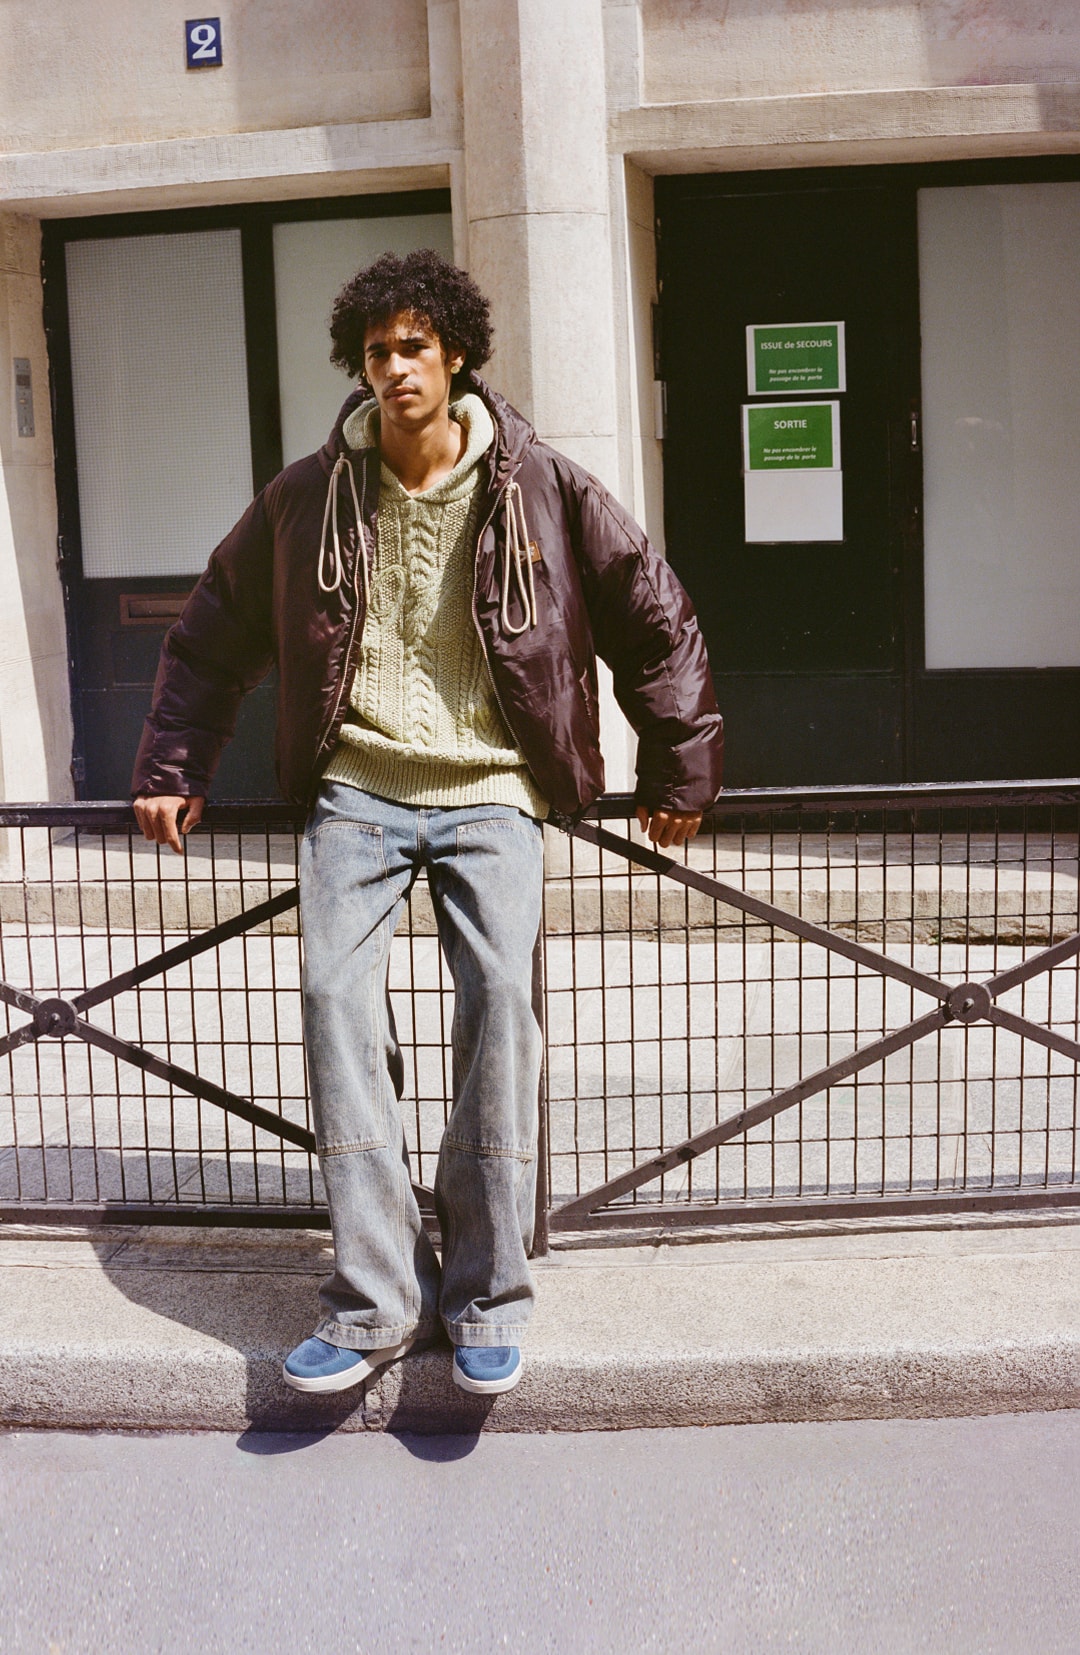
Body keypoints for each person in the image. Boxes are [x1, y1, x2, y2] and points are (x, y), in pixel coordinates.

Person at [132, 249, 723, 1397]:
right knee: (332, 1001)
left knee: (500, 1005)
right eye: (377, 351)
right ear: (358, 366)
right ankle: (376, 1298)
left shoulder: (541, 483)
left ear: (456, 354)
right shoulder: (310, 495)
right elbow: (214, 625)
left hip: (493, 784)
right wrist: (171, 761)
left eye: (414, 345)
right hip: (357, 783)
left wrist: (679, 765)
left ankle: (488, 1293)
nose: (396, 367)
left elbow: (653, 613)